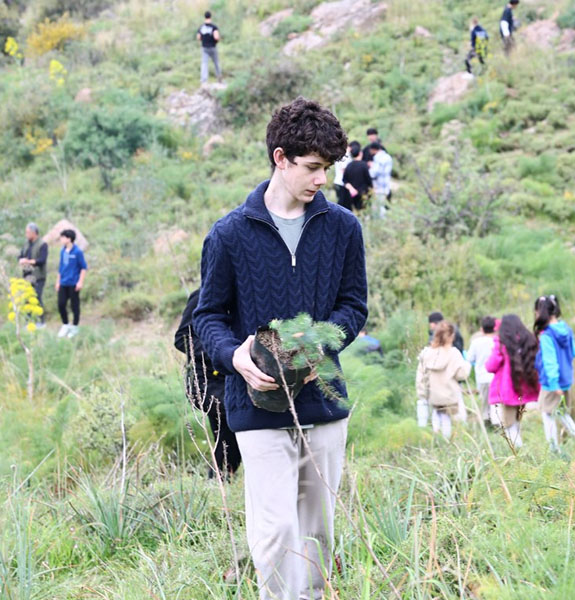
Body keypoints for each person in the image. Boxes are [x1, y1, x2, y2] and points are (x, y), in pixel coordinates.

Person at [193, 97, 367, 600]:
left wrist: (319, 349)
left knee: (317, 533)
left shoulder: (343, 227)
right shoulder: (228, 234)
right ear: (280, 158)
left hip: (324, 404)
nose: (321, 179)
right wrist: (235, 357)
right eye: (312, 167)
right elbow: (207, 316)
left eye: (327, 168)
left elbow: (353, 306)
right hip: (254, 405)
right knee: (276, 531)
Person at [175, 288, 241, 478]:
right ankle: (218, 483)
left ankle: (219, 483)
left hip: (233, 378)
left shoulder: (244, 294)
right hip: (208, 382)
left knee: (229, 443)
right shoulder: (203, 295)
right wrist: (222, 353)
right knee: (230, 438)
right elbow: (182, 338)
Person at [534, 295, 575, 451]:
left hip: (552, 382)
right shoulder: (566, 329)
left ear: (539, 312)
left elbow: (550, 362)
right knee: (560, 410)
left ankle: (554, 449)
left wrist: (553, 383)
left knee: (547, 413)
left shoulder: (547, 336)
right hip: (566, 378)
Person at [485, 314, 540, 447]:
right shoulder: (529, 341)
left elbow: (491, 366)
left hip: (508, 390)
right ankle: (519, 447)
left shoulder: (502, 344)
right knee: (517, 419)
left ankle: (518, 450)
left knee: (508, 423)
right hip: (525, 388)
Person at [416, 321, 471, 439]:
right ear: (451, 336)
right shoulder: (453, 353)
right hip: (449, 395)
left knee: (436, 414)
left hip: (433, 395)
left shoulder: (427, 353)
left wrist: (422, 393)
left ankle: (436, 437)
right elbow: (461, 375)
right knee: (446, 419)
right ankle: (446, 441)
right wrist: (467, 365)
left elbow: (420, 376)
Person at [55, 229, 87, 339]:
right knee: (61, 304)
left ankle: (75, 327)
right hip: (63, 282)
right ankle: (65, 324)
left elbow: (83, 268)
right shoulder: (62, 251)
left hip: (74, 283)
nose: (61, 239)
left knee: (74, 305)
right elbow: (61, 267)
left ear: (69, 239)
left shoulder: (78, 252)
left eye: (63, 237)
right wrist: (58, 281)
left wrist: (80, 282)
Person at [466, 316, 497, 423]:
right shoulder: (497, 341)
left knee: (484, 403)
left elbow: (469, 358)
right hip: (495, 377)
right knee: (495, 403)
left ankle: (486, 422)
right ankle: (496, 423)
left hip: (482, 377)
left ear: (481, 329)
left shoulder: (476, 342)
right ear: (495, 328)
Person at [18, 222, 48, 328]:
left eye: (28, 232)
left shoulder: (42, 244)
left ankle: (41, 322)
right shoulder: (26, 244)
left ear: (34, 233)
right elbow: (20, 255)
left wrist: (29, 261)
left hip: (38, 276)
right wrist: (21, 260)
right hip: (26, 276)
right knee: (27, 299)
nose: (26, 234)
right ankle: (28, 322)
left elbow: (42, 260)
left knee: (37, 298)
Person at [342, 142, 373, 211]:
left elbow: (344, 180)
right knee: (363, 211)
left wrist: (351, 189)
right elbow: (369, 180)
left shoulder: (349, 165)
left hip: (352, 194)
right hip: (363, 193)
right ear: (360, 153)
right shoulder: (364, 165)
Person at [367, 141, 393, 217]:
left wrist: (369, 168)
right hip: (386, 186)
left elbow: (374, 173)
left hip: (379, 187)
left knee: (378, 208)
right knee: (382, 206)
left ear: (373, 149)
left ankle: (379, 222)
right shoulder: (387, 156)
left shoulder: (378, 158)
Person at [197, 11, 221, 84]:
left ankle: (204, 80)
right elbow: (216, 37)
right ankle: (219, 78)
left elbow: (198, 37)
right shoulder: (213, 27)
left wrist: (203, 40)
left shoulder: (201, 27)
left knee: (204, 64)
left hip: (204, 48)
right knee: (216, 62)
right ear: (210, 17)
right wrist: (217, 41)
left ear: (205, 17)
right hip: (212, 47)